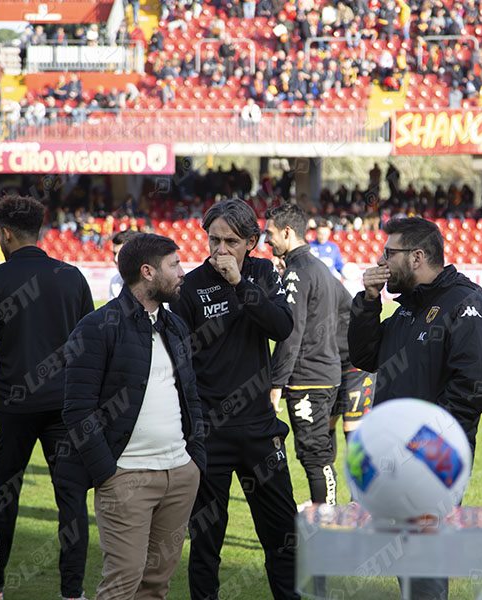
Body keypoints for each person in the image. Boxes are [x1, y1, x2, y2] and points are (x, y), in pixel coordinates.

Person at [348, 217, 482, 600]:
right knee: (408, 568)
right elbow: (366, 355)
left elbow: (472, 388)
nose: (381, 260)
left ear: (416, 257)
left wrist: (421, 447)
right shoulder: (406, 308)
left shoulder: (465, 302)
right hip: (394, 458)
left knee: (425, 569)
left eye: (389, 253)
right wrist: (368, 302)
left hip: (434, 460)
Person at [0, 195, 93, 600]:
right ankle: (73, 593)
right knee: (71, 501)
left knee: (2, 499)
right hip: (66, 408)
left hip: (13, 409)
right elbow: (90, 346)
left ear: (5, 234)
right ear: (41, 232)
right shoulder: (72, 277)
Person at [61, 233, 205, 600]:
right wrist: (107, 472)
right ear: (148, 272)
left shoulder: (175, 326)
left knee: (156, 586)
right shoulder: (96, 327)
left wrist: (194, 460)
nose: (182, 272)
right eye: (174, 265)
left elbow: (190, 396)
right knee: (122, 583)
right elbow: (77, 408)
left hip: (179, 474)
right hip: (126, 478)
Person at [168, 199, 299, 600]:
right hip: (210, 434)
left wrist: (240, 284)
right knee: (206, 540)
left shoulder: (262, 273)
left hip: (259, 429)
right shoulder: (190, 288)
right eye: (213, 240)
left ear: (251, 242)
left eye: (230, 241)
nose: (220, 249)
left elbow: (282, 326)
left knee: (284, 534)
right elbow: (178, 364)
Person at [265, 203, 342, 507]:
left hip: (308, 379)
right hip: (324, 373)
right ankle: (326, 516)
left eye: (269, 233)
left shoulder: (299, 271)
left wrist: (275, 384)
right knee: (316, 452)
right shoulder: (317, 267)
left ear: (287, 232)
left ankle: (327, 521)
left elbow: (290, 333)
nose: (266, 240)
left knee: (314, 454)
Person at [328, 278, 374, 486]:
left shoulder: (311, 279)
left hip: (355, 365)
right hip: (331, 365)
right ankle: (327, 498)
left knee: (354, 431)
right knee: (326, 426)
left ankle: (360, 499)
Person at [108, 230, 136, 299]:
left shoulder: (156, 282)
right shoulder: (115, 281)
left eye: (121, 254)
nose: (115, 259)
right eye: (114, 253)